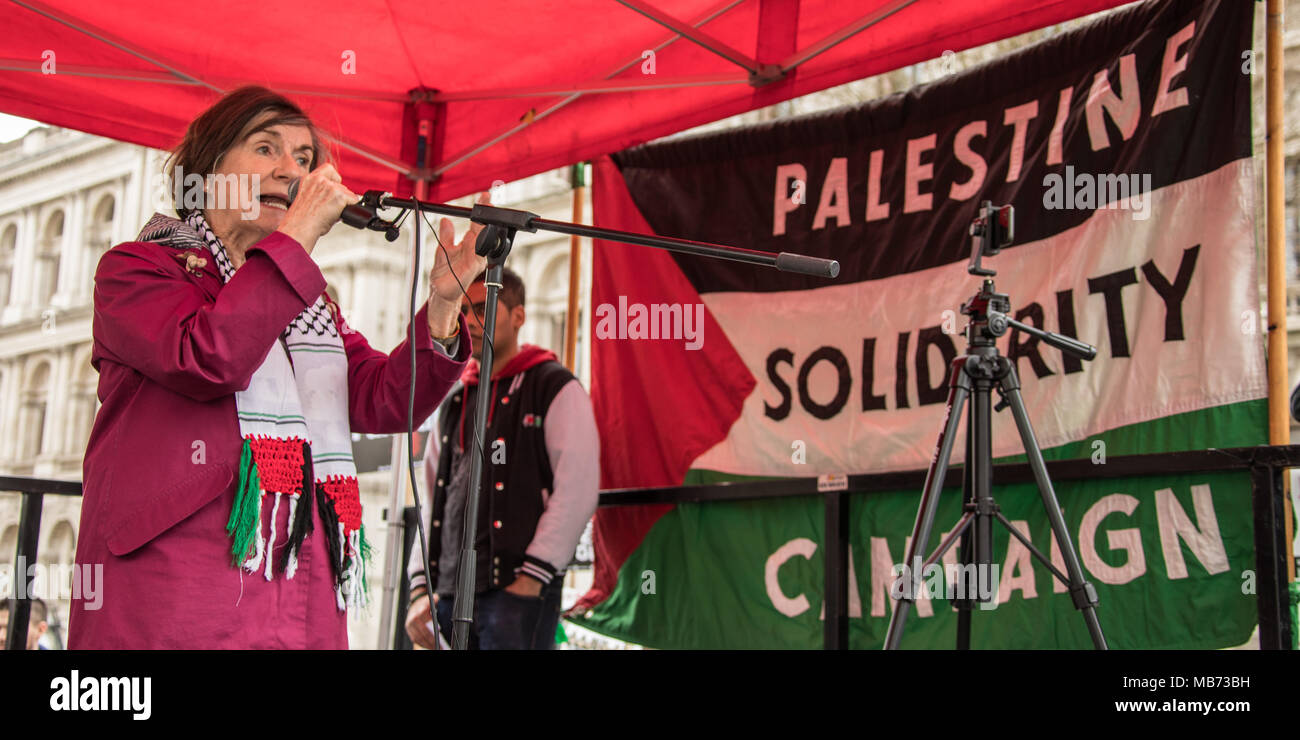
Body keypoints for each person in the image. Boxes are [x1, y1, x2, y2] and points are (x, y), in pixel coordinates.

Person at [71, 86, 487, 649]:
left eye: (304, 159)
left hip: (299, 581)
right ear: (209, 169)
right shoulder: (137, 269)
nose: (291, 171)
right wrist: (297, 240)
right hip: (180, 582)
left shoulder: (308, 308)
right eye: (266, 149)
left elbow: (387, 400)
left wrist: (441, 308)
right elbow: (207, 358)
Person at [405, 267, 599, 649]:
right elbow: (433, 499)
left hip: (518, 597)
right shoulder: (457, 398)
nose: (469, 322)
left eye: (482, 308)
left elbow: (577, 489)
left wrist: (531, 578)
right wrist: (418, 587)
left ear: (519, 315)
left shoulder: (553, 386)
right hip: (448, 596)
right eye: (463, 311)